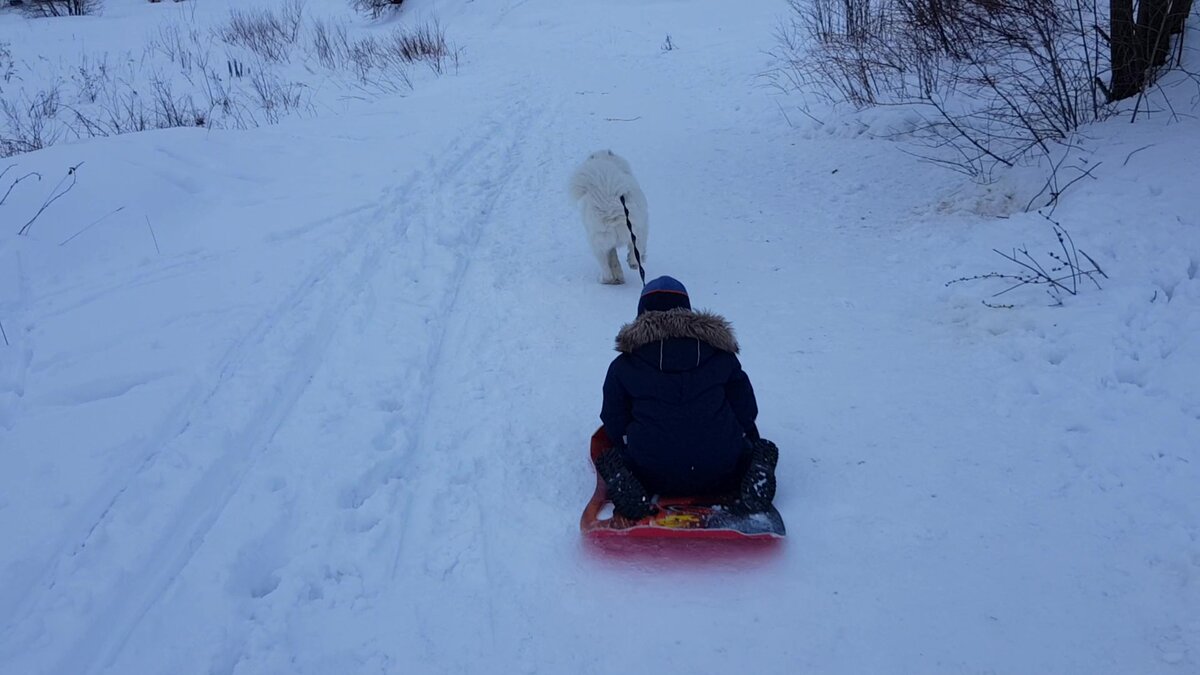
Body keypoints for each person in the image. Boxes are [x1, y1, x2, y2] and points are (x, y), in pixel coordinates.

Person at [597, 275, 778, 519]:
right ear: (689, 312)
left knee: (609, 452)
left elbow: (613, 420)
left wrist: (627, 442)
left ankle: (623, 475)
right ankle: (753, 466)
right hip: (722, 469)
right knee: (749, 447)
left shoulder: (624, 365)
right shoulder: (721, 356)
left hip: (651, 472)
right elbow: (746, 411)